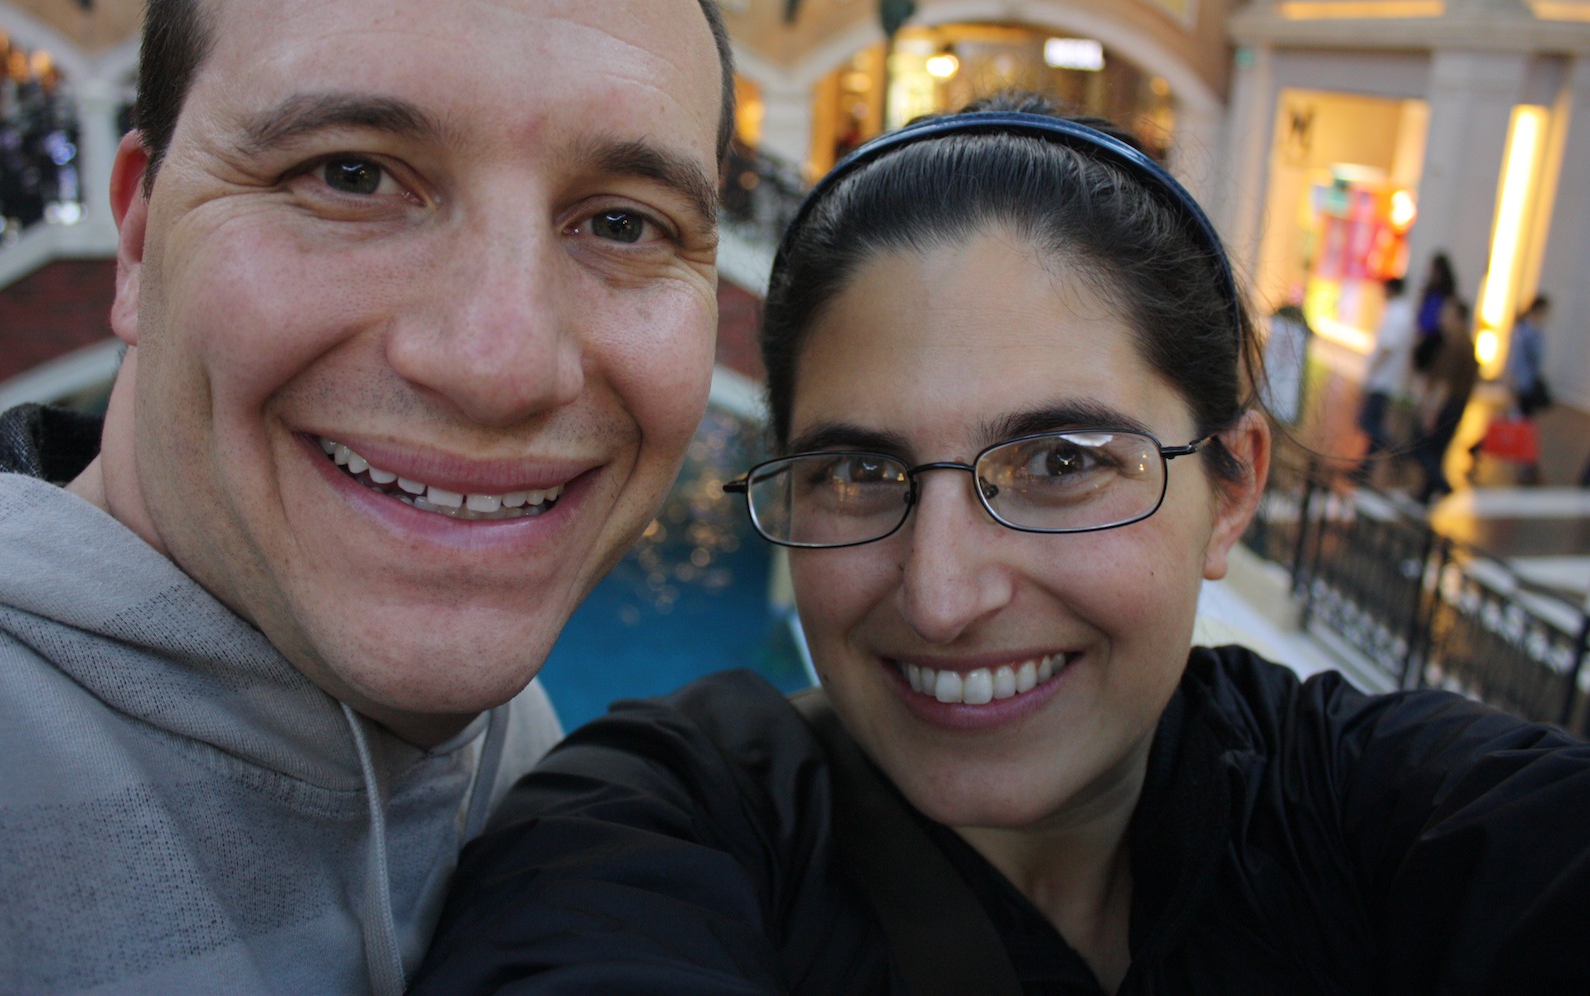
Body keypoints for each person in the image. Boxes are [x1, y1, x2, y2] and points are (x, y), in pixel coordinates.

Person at [413, 97, 1590, 995]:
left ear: (1231, 485)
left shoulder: (1400, 816)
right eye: (857, 474)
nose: (940, 596)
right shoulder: (652, 826)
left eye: (1060, 462)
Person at [0, 0, 733, 991]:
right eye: (350, 175)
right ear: (139, 243)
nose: (498, 364)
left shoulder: (516, 739)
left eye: (622, 223)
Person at [1411, 298, 1479, 502]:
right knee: (1436, 451)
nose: (1443, 319)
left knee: (1425, 449)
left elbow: (1445, 384)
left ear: (1458, 318)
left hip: (1450, 405)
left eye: (1447, 315)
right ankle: (1426, 493)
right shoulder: (1465, 343)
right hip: (1457, 404)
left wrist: (1431, 411)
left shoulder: (1456, 345)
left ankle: (1443, 486)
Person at [1355, 276, 1414, 479]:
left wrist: (1372, 371)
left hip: (1384, 380)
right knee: (1372, 425)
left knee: (1366, 421)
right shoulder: (1400, 312)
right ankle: (1366, 468)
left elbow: (1388, 346)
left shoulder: (1397, 313)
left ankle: (1396, 449)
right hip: (1387, 379)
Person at [1410, 250, 1457, 376]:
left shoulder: (1443, 295)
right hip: (1425, 337)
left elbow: (1434, 320)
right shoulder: (1432, 292)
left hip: (1433, 341)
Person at [1506, 296, 1552, 417]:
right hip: (1519, 382)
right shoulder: (1523, 331)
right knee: (1517, 415)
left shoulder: (1537, 331)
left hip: (1528, 382)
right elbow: (1515, 359)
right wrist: (1512, 381)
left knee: (1525, 415)